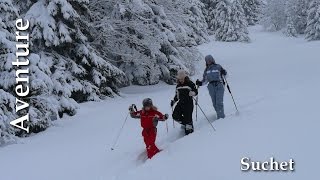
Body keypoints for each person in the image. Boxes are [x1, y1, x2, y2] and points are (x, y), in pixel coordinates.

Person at [196, 55, 227, 119]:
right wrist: (200, 83)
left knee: (219, 102)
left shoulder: (218, 66)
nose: (208, 61)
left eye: (209, 60)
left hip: (219, 85)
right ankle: (219, 114)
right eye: (207, 60)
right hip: (211, 87)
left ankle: (221, 118)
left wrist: (224, 72)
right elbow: (205, 80)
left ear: (212, 60)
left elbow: (225, 75)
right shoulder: (206, 70)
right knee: (214, 103)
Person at [171, 70, 198, 135]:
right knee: (175, 116)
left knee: (188, 118)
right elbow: (177, 95)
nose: (181, 80)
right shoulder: (178, 86)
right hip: (180, 103)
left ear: (185, 77)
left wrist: (193, 93)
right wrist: (174, 101)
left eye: (182, 78)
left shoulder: (190, 83)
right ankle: (186, 123)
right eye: (179, 79)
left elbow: (196, 91)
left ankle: (189, 132)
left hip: (188, 103)